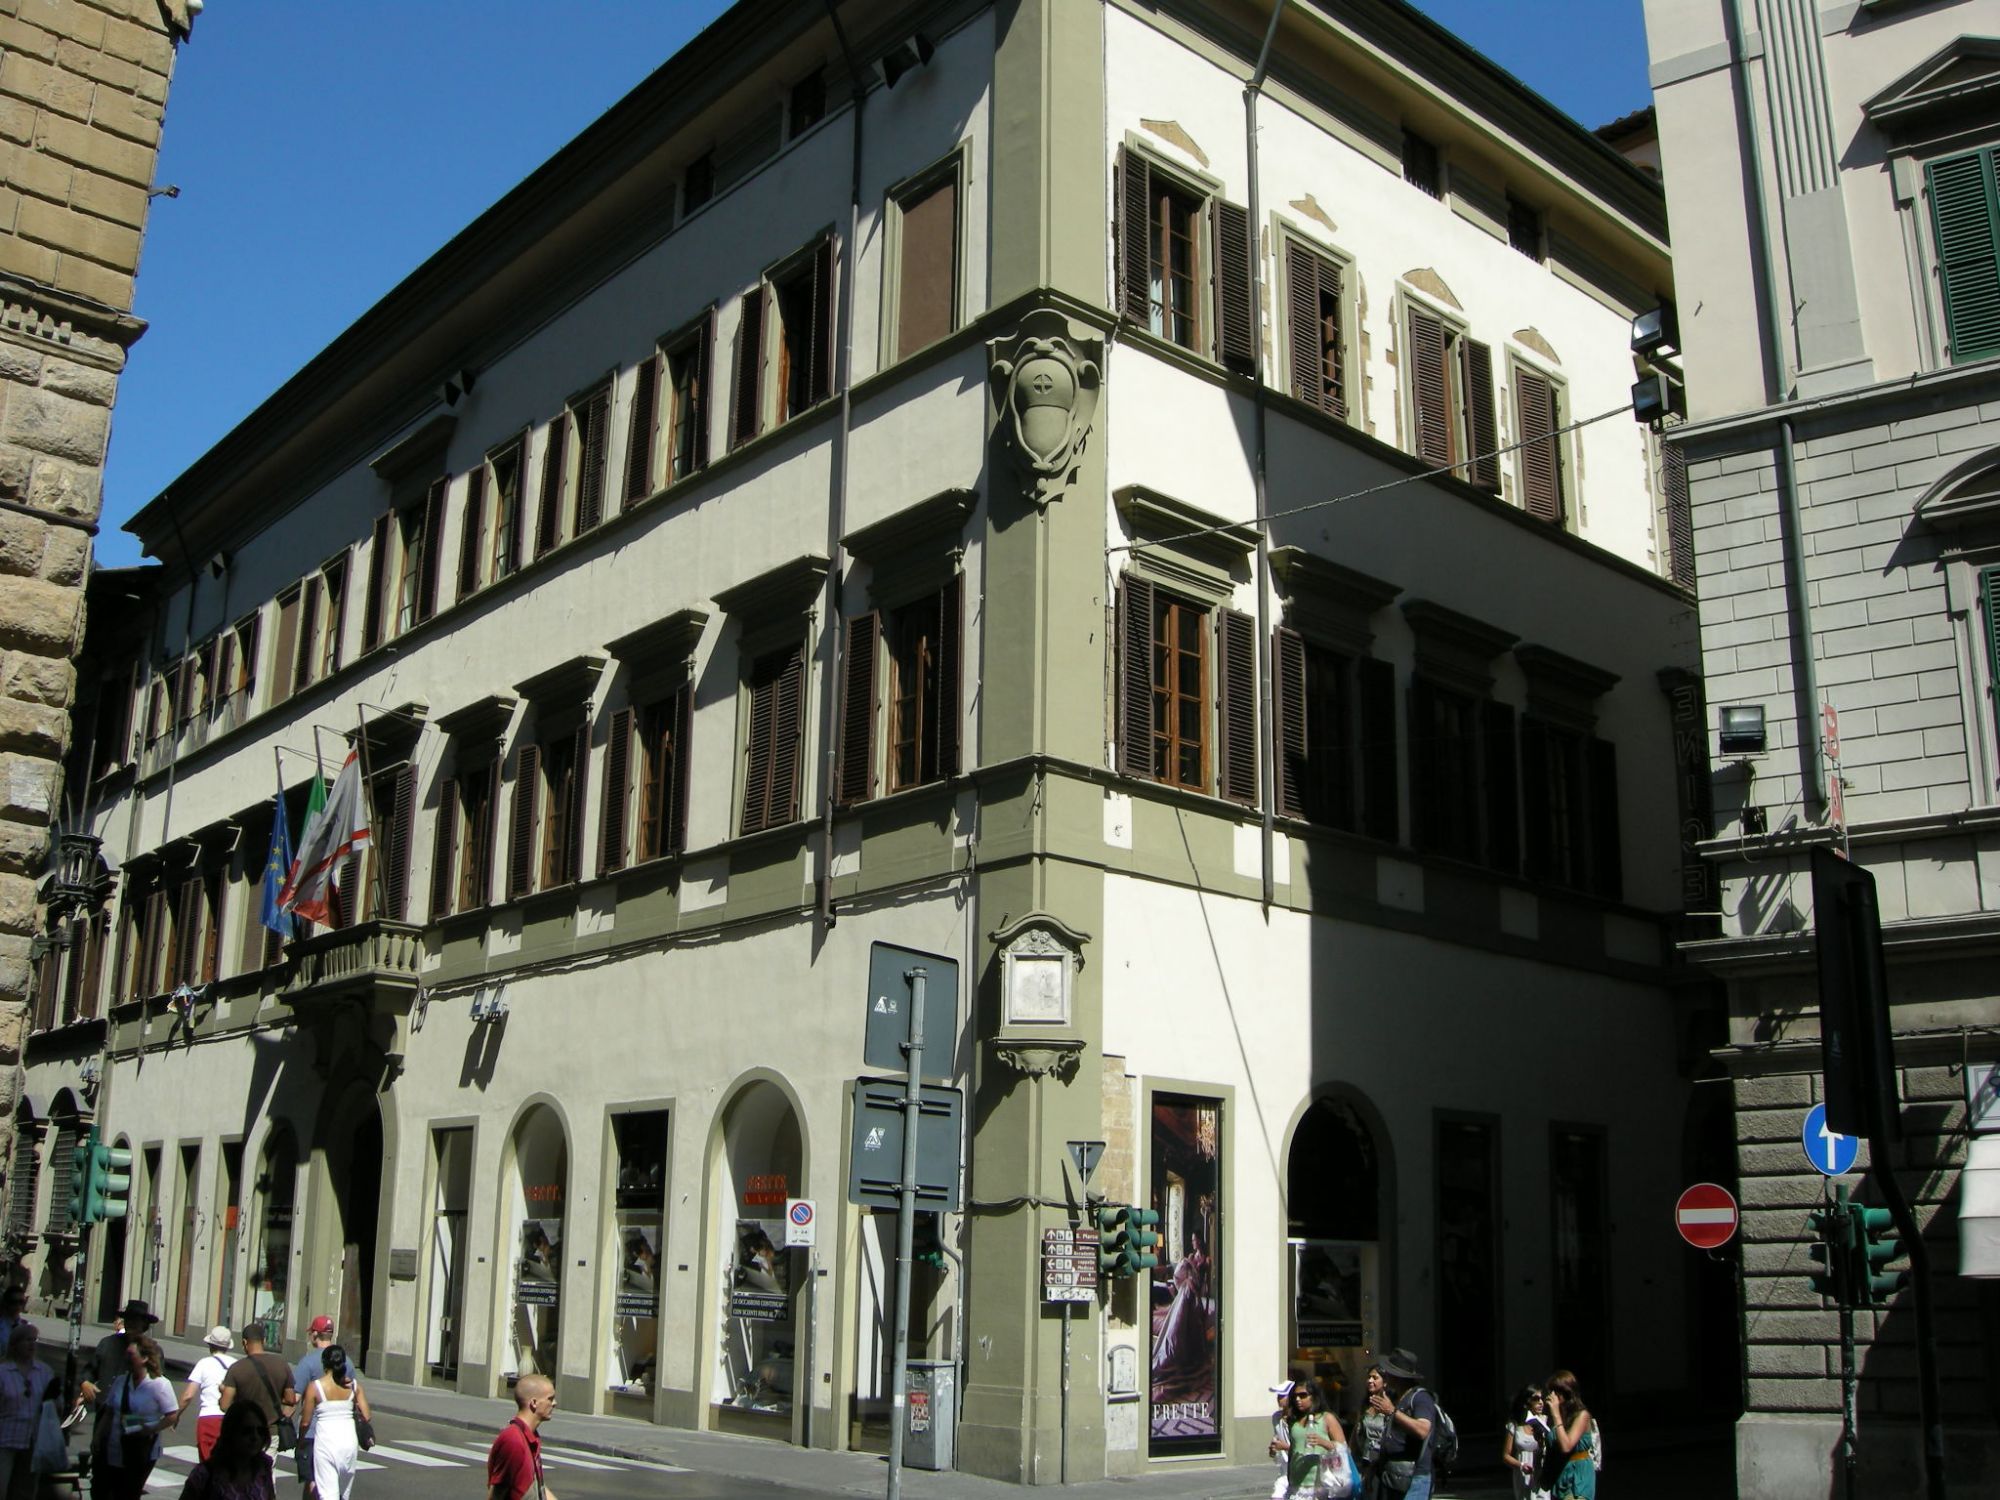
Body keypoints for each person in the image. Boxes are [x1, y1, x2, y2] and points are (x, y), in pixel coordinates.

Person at [97, 1334, 176, 1500]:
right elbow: (109, 1412)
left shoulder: (160, 1385)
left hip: (142, 1450)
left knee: (129, 1493)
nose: (126, 1358)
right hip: (115, 1447)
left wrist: (150, 1429)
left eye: (131, 1355)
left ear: (145, 1358)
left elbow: (171, 1416)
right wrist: (97, 1438)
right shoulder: (120, 1382)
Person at [296, 1345, 369, 1500]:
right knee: (343, 1494)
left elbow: (305, 1422)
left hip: (326, 1443)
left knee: (328, 1494)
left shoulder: (315, 1387)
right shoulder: (354, 1386)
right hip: (349, 1443)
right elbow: (366, 1416)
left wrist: (301, 1441)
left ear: (324, 1363)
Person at [1368, 1348, 1439, 1500]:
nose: (1386, 1376)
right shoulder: (1399, 1398)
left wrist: (1392, 1411)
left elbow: (1423, 1429)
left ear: (1397, 1376)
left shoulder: (1421, 1398)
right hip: (1393, 1476)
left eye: (1389, 1373)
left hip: (1415, 1477)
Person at [175, 1401, 277, 1499]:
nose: (255, 1437)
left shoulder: (263, 1467)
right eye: (247, 1431)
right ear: (231, 1433)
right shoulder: (205, 1474)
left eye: (260, 1431)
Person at [0, 1322, 53, 1500]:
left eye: (34, 1340)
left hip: (32, 1439)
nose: (31, 1344)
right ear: (15, 1344)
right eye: (26, 1340)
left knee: (25, 1491)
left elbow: (53, 1404)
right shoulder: (3, 1372)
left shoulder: (44, 1372)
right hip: (6, 1439)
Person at [487, 1374, 559, 1500]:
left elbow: (537, 1486)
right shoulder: (513, 1440)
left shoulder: (530, 1436)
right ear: (534, 1403)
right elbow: (497, 1492)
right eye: (550, 1398)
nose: (554, 1403)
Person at [1282, 1376, 1351, 1499]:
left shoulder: (1326, 1418)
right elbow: (1293, 1449)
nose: (1298, 1399)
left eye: (1303, 1395)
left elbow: (1343, 1449)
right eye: (1295, 1396)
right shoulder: (1294, 1421)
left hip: (1320, 1484)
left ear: (1313, 1396)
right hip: (1296, 1484)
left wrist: (1323, 1442)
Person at [218, 1326, 295, 1434]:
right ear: (264, 1340)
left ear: (244, 1342)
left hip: (245, 1432)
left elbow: (224, 1406)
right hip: (271, 1432)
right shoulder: (282, 1365)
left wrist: (223, 1391)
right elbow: (290, 1399)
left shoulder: (236, 1369)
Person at [291, 1316, 335, 1495]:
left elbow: (294, 1398)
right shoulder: (345, 1361)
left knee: (312, 1481)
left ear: (316, 1334)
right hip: (337, 1431)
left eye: (312, 1333)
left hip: (313, 1431)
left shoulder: (308, 1362)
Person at [179, 1326, 236, 1461]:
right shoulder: (236, 1364)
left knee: (208, 1465)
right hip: (232, 1419)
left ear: (210, 1345)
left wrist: (176, 1415)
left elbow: (188, 1395)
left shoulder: (204, 1364)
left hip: (209, 1418)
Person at [1543, 1370, 1596, 1500]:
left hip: (1578, 1476)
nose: (1552, 1396)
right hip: (1559, 1473)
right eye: (1551, 1391)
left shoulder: (1581, 1416)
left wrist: (1556, 1414)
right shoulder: (1556, 1415)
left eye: (1556, 1391)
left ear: (1566, 1392)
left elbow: (1567, 1446)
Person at [1502, 1385, 1553, 1500]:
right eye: (1536, 1399)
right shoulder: (1514, 1425)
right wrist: (1521, 1465)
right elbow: (1506, 1455)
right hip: (1522, 1473)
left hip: (1540, 1471)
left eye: (1542, 1398)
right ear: (1526, 1402)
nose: (1541, 1402)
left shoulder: (1545, 1421)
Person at [1355, 1365, 1390, 1498]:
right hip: (1365, 1460)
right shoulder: (1365, 1404)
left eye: (1375, 1378)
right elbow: (1357, 1432)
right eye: (1368, 1377)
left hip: (1383, 1464)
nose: (1370, 1381)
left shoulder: (1389, 1405)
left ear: (1385, 1382)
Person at [1265, 1380, 1296, 1500]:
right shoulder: (1276, 1417)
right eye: (1278, 1396)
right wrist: (1273, 1450)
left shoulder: (1299, 1420)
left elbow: (1305, 1447)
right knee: (1276, 1496)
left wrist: (1285, 1447)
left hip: (1299, 1468)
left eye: (1283, 1396)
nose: (1279, 1398)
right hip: (1285, 1470)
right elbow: (1276, 1438)